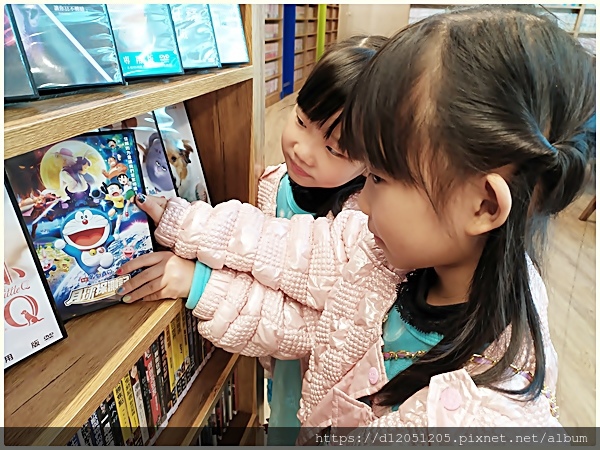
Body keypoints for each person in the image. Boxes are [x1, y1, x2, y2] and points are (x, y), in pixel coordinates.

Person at [121, 5, 595, 440]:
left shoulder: (481, 418)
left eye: (378, 177)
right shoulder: (381, 254)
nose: (361, 202)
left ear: (484, 206)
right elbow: (288, 255)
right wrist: (185, 230)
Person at [116, 35, 388, 445]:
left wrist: (199, 282)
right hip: (277, 373)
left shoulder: (367, 223)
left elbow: (304, 323)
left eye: (333, 148)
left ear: (375, 162)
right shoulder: (272, 183)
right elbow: (255, 258)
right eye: (301, 120)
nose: (304, 149)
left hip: (325, 389)